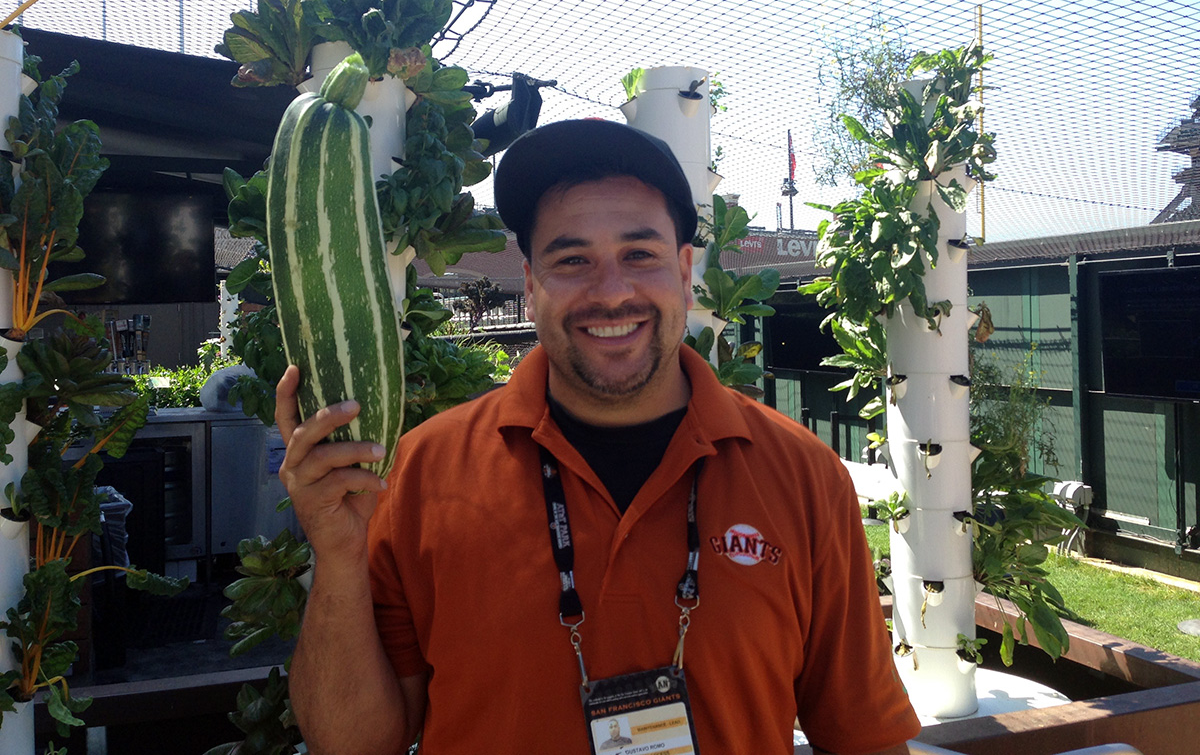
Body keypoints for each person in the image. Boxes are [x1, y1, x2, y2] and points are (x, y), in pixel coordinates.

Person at [278, 119, 920, 755]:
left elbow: (864, 736)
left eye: (639, 254)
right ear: (531, 285)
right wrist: (335, 556)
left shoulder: (802, 475)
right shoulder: (421, 472)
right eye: (572, 260)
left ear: (685, 270)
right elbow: (354, 744)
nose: (611, 293)